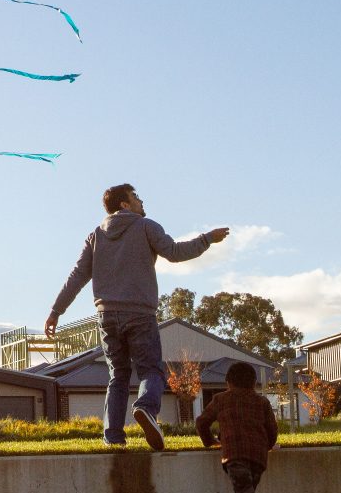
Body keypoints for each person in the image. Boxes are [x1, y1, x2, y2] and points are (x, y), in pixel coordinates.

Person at [47, 183, 228, 449]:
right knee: (150, 370)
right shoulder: (146, 226)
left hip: (106, 315)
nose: (142, 201)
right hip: (139, 313)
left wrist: (55, 311)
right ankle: (145, 407)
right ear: (124, 204)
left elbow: (77, 277)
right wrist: (207, 239)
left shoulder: (95, 236)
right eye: (136, 197)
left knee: (117, 376)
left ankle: (113, 437)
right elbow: (175, 253)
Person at [195, 360, 278, 493]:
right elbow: (272, 431)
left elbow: (201, 423)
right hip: (257, 457)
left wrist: (210, 442)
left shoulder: (221, 399)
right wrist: (269, 445)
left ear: (228, 382)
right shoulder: (262, 402)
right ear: (253, 382)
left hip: (234, 454)